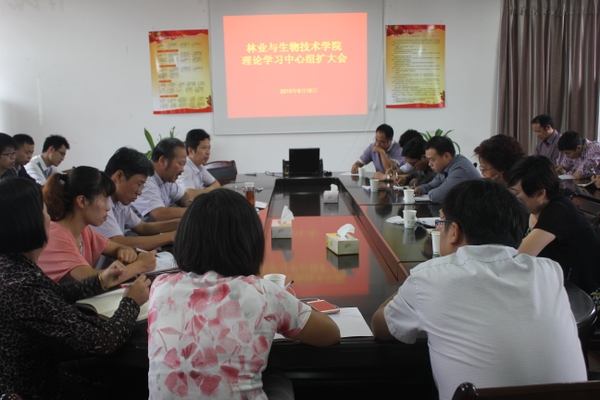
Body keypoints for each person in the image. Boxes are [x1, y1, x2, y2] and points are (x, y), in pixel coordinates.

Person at [371, 179, 587, 400]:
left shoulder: (430, 278)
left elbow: (380, 326)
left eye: (441, 222)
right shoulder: (549, 271)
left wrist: (415, 285)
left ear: (454, 231)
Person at [148, 189, 340, 399]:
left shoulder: (160, 287)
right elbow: (330, 334)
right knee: (277, 380)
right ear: (249, 242)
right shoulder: (262, 292)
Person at [0, 177, 151, 399]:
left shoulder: (12, 266)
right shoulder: (23, 287)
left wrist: (101, 281)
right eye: (43, 211)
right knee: (133, 382)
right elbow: (103, 342)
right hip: (37, 390)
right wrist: (131, 302)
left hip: (39, 374)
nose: (49, 218)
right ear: (29, 221)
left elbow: (51, 294)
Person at [37, 166, 156, 283]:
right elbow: (92, 281)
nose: (108, 207)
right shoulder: (56, 235)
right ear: (82, 201)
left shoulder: (84, 232)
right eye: (105, 200)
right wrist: (140, 265)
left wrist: (124, 250)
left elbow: (116, 247)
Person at [509, 155, 600, 293]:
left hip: (583, 293)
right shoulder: (534, 209)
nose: (513, 199)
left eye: (516, 194)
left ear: (540, 194)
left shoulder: (559, 211)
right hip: (557, 283)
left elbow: (519, 257)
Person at [91, 147, 179, 252]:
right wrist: (170, 237)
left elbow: (143, 227)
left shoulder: (120, 201)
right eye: (138, 184)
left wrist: (182, 223)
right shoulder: (100, 202)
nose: (139, 192)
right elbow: (119, 242)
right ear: (119, 176)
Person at [130, 138, 193, 222]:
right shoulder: (145, 179)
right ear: (163, 161)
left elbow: (183, 196)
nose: (182, 170)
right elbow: (159, 214)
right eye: (180, 164)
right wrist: (193, 211)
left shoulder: (167, 178)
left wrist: (189, 203)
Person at [414, 136, 480, 203]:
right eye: (429, 160)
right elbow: (432, 185)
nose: (429, 164)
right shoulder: (445, 167)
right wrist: (420, 189)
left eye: (432, 160)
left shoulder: (460, 170)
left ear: (447, 156)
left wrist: (431, 191)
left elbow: (436, 197)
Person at [177, 128, 220, 197]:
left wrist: (205, 190)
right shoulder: (184, 168)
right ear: (191, 151)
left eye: (209, 148)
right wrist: (208, 191)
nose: (208, 152)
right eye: (204, 148)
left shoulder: (200, 166)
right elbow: (189, 194)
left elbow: (216, 183)